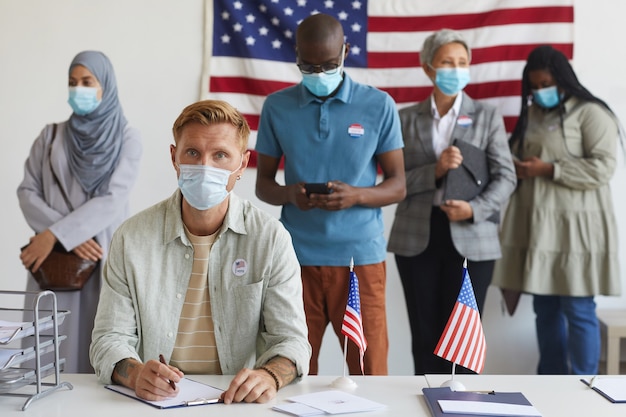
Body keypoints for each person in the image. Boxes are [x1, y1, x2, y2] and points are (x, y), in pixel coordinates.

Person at [89, 99, 311, 404]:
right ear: (174, 158)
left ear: (242, 165)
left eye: (220, 155)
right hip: (153, 404)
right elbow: (108, 339)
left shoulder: (270, 239)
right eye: (192, 152)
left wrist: (268, 375)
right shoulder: (131, 238)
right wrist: (136, 374)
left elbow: (292, 341)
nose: (205, 166)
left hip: (236, 402)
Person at [255, 13, 405, 376]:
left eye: (328, 64)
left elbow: (399, 184)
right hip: (295, 260)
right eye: (308, 65)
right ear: (295, 54)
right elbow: (263, 185)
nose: (318, 73)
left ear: (346, 52)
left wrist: (355, 196)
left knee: (369, 371)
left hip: (360, 262)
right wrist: (290, 194)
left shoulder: (378, 105)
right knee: (290, 369)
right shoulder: (277, 106)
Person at [387, 29, 517, 375]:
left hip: (473, 236)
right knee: (425, 334)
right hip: (418, 236)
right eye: (447, 62)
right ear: (429, 68)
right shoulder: (404, 118)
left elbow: (507, 177)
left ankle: (465, 407)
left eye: (462, 62)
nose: (456, 69)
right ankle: (426, 402)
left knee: (465, 336)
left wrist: (474, 209)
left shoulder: (487, 115)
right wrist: (436, 169)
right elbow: (393, 181)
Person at [492, 45, 622, 375]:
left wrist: (550, 169)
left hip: (577, 231)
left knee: (578, 308)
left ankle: (583, 387)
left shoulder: (591, 113)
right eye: (534, 86)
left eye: (546, 83)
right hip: (538, 231)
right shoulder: (533, 114)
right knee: (544, 309)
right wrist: (518, 168)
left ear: (563, 78)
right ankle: (550, 383)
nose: (540, 91)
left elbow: (604, 168)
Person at [18, 50, 142, 373]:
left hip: (99, 254)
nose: (79, 89)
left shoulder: (127, 138)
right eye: (72, 83)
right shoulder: (50, 136)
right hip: (54, 260)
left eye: (88, 82)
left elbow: (112, 199)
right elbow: (27, 191)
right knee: (46, 347)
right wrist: (61, 237)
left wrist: (56, 234)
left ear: (106, 86)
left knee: (97, 345)